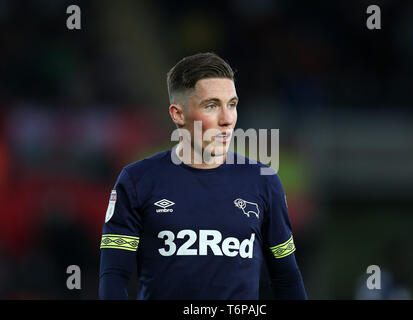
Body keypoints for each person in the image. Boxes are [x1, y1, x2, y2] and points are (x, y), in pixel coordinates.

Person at [98, 52, 307, 299]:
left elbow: (286, 276)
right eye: (212, 105)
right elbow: (114, 274)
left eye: (232, 104)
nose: (227, 119)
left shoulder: (263, 180)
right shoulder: (137, 180)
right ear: (178, 114)